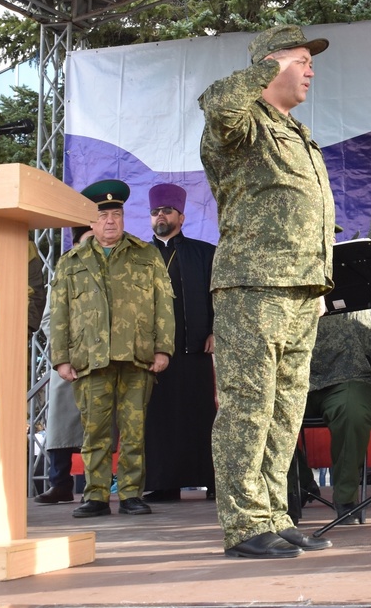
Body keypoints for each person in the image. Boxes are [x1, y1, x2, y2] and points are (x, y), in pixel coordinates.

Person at [199, 24, 336, 559]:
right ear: (271, 64)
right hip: (253, 285)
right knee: (249, 405)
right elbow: (218, 104)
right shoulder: (241, 123)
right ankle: (244, 523)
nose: (311, 70)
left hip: (300, 287)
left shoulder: (297, 130)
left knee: (285, 409)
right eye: (302, 60)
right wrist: (264, 68)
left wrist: (319, 282)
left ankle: (276, 514)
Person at [49, 179, 176, 519]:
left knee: (134, 431)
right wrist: (60, 359)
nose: (110, 221)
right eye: (103, 216)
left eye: (116, 215)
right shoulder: (71, 262)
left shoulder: (146, 254)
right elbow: (59, 314)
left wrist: (163, 349)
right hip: (91, 359)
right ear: (91, 222)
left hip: (137, 357)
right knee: (95, 432)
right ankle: (96, 496)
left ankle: (132, 493)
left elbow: (164, 305)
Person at [301, 130, 371, 525]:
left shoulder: (358, 270)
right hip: (298, 377)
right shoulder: (290, 275)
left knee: (353, 412)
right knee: (264, 414)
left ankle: (345, 498)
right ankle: (296, 490)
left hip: (349, 376)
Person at [143, 182, 218, 502]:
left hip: (195, 348)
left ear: (181, 217)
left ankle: (212, 481)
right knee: (160, 421)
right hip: (155, 353)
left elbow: (218, 298)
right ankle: (164, 485)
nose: (160, 216)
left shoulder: (204, 253)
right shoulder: (139, 256)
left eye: (167, 210)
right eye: (155, 211)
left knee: (201, 417)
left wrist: (215, 330)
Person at [34, 228, 90, 504]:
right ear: (75, 245)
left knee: (99, 427)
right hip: (68, 359)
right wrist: (66, 352)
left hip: (103, 359)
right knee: (60, 424)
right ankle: (60, 484)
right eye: (86, 242)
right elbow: (48, 320)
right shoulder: (64, 273)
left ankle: (96, 487)